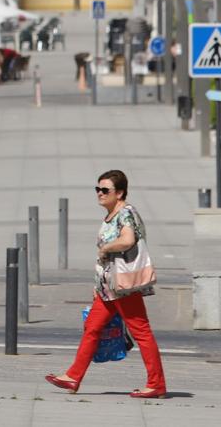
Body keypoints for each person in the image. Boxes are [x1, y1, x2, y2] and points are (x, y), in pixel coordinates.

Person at [46, 169, 167, 398]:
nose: (99, 193)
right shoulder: (112, 214)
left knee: (141, 331)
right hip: (107, 288)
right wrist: (97, 285)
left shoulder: (126, 213)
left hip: (123, 286)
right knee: (92, 327)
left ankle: (156, 384)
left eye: (105, 190)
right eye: (97, 189)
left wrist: (106, 248)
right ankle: (73, 376)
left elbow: (128, 240)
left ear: (119, 193)